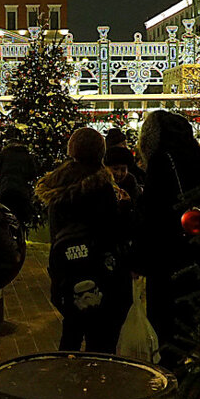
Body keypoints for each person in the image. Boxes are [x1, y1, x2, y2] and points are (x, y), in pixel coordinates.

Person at [36, 127, 129, 352]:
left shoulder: (57, 183)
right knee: (102, 339)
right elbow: (112, 230)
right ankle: (96, 381)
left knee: (72, 330)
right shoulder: (101, 185)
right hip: (99, 271)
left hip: (65, 270)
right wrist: (125, 208)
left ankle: (66, 377)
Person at [134, 110, 200, 367]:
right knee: (196, 327)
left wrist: (138, 260)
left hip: (168, 262)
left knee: (168, 332)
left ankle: (174, 388)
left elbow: (153, 215)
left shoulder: (162, 162)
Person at [0, 141, 37, 231]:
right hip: (21, 189)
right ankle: (20, 235)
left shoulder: (5, 153)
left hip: (6, 187)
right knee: (20, 217)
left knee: (6, 215)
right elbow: (33, 173)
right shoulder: (27, 155)